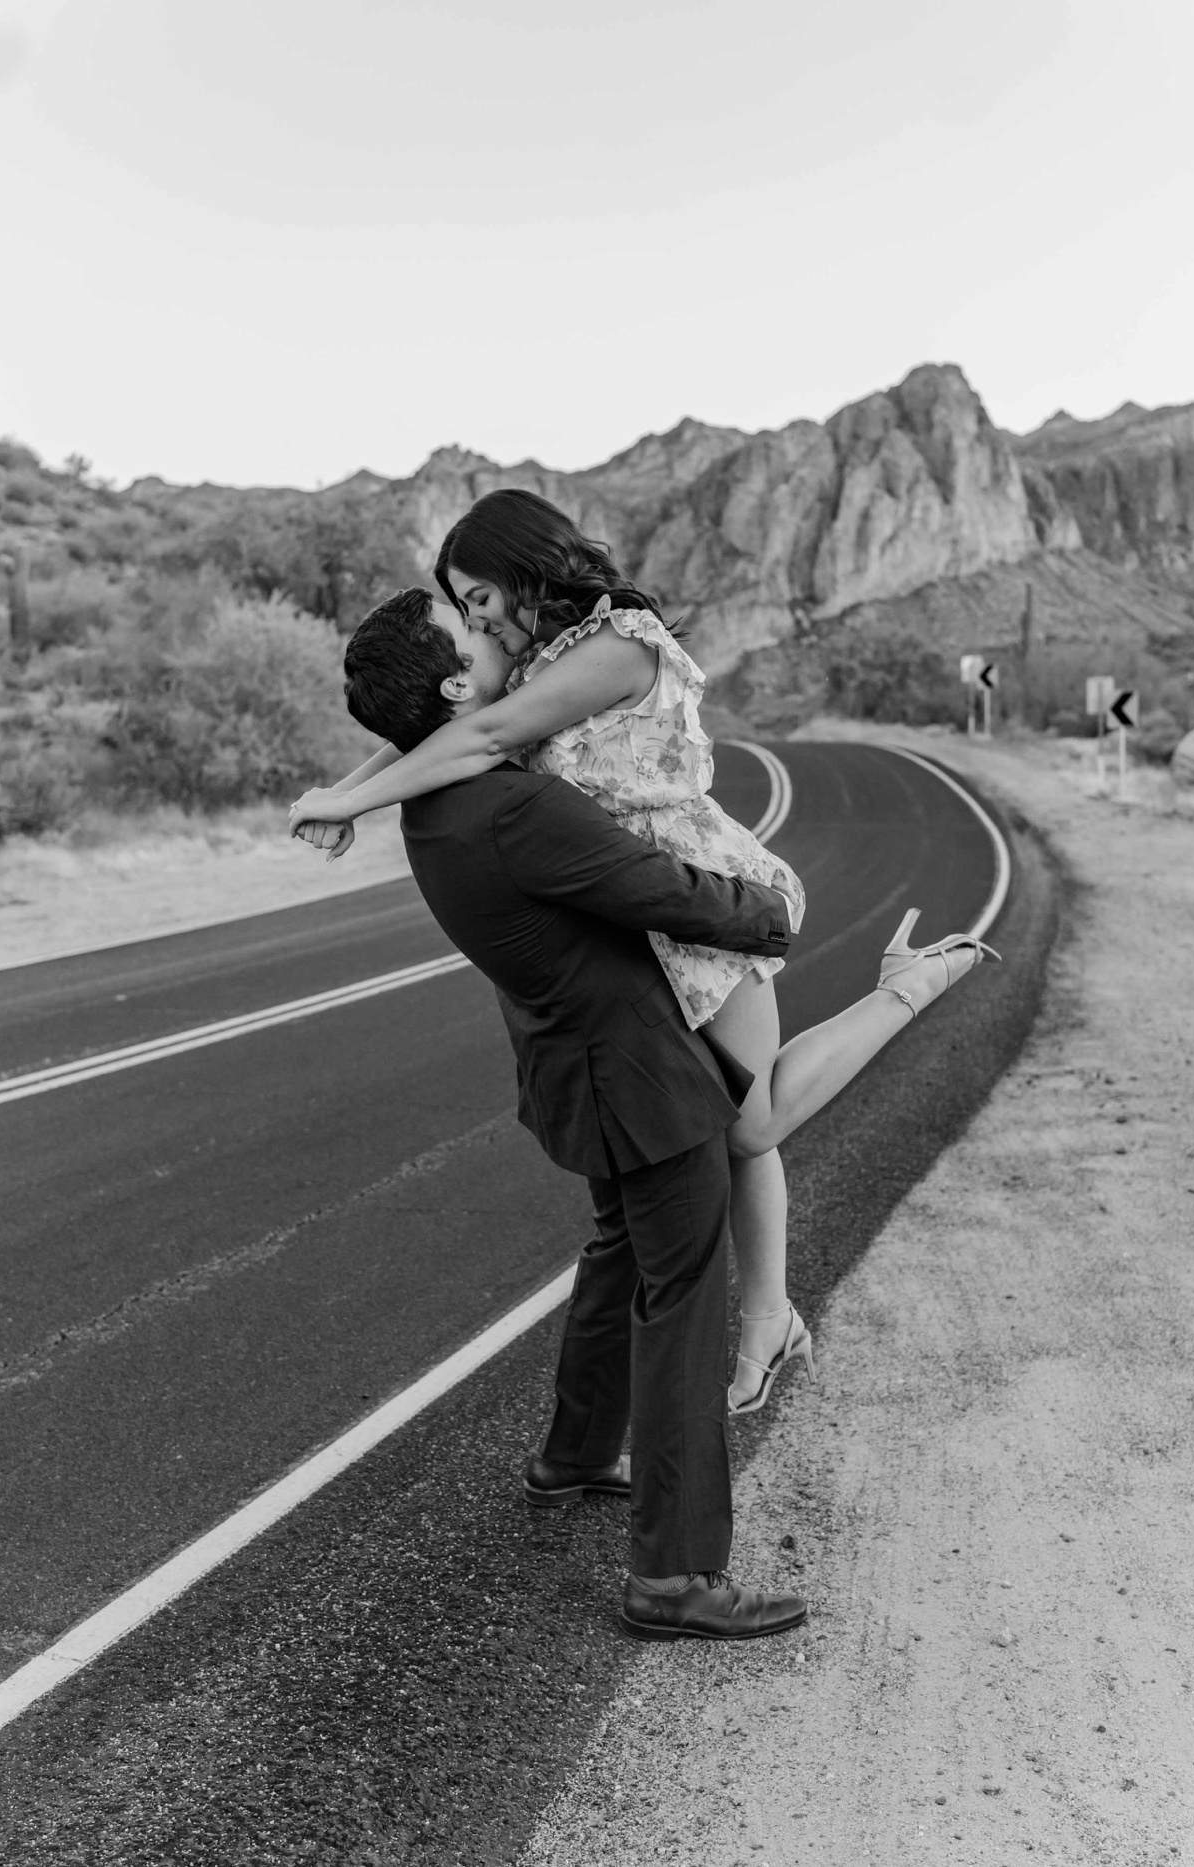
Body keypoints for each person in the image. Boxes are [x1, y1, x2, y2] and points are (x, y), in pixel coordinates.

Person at [291, 490, 997, 1414]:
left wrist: (346, 805)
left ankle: (914, 984)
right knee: (737, 1124)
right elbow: (448, 724)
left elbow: (490, 731)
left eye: (478, 596)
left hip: (703, 892)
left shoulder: (617, 644)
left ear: (524, 565)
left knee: (754, 1122)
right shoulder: (536, 653)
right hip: (634, 901)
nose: (477, 618)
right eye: (463, 608)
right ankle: (772, 1320)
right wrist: (337, 791)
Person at [323, 584, 807, 1640]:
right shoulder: (511, 806)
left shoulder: (437, 805)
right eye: (474, 636)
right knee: (681, 1299)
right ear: (457, 686)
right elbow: (659, 888)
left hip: (573, 1070)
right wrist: (768, 913)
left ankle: (574, 1454)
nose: (499, 638)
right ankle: (675, 1578)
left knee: (622, 1251)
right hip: (637, 1077)